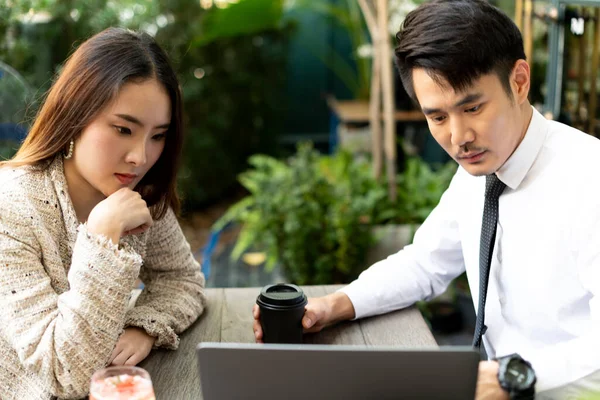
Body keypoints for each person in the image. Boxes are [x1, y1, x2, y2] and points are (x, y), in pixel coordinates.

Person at [252, 1, 600, 398]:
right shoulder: (481, 169)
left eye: (472, 107)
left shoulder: (589, 179)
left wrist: (514, 377)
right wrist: (334, 305)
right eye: (437, 117)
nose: (458, 136)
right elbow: (425, 262)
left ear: (519, 81)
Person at [0, 28, 206, 399]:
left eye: (158, 135)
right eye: (123, 129)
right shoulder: (10, 206)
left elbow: (183, 280)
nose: (140, 157)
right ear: (75, 115)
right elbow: (66, 376)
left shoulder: (139, 194)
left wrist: (144, 327)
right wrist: (101, 236)